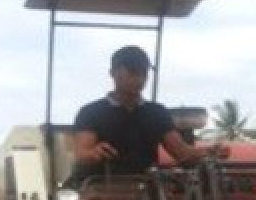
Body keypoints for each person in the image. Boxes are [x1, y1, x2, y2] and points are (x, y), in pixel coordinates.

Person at [70, 45, 227, 184]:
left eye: (144, 73)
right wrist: (94, 153)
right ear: (113, 73)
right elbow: (82, 154)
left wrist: (210, 152)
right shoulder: (90, 112)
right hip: (101, 189)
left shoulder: (157, 113)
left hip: (145, 191)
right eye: (133, 72)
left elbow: (181, 153)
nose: (140, 78)